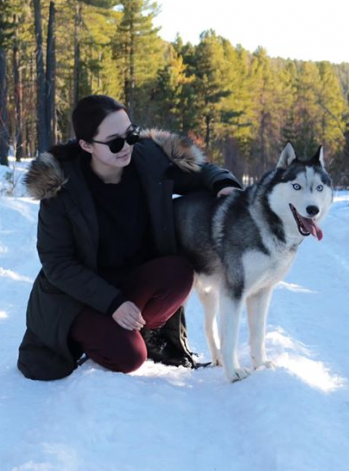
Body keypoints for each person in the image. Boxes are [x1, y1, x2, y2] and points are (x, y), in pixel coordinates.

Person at [18, 95, 241, 381]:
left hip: (131, 284)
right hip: (78, 296)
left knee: (178, 273)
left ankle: (134, 330)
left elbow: (199, 171)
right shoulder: (61, 190)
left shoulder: (147, 160)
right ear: (86, 145)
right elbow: (58, 264)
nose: (126, 146)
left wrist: (223, 184)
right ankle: (103, 335)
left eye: (131, 134)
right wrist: (113, 304)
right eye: (114, 142)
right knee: (130, 357)